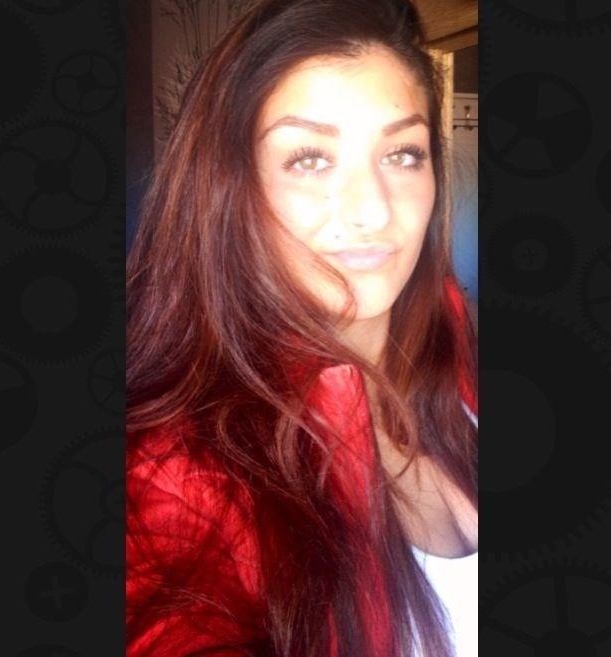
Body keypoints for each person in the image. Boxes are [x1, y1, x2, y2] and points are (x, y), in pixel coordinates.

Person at [126, 1, 478, 656]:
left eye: (403, 153)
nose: (373, 211)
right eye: (310, 159)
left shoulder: (457, 343)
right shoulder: (180, 473)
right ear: (229, 190)